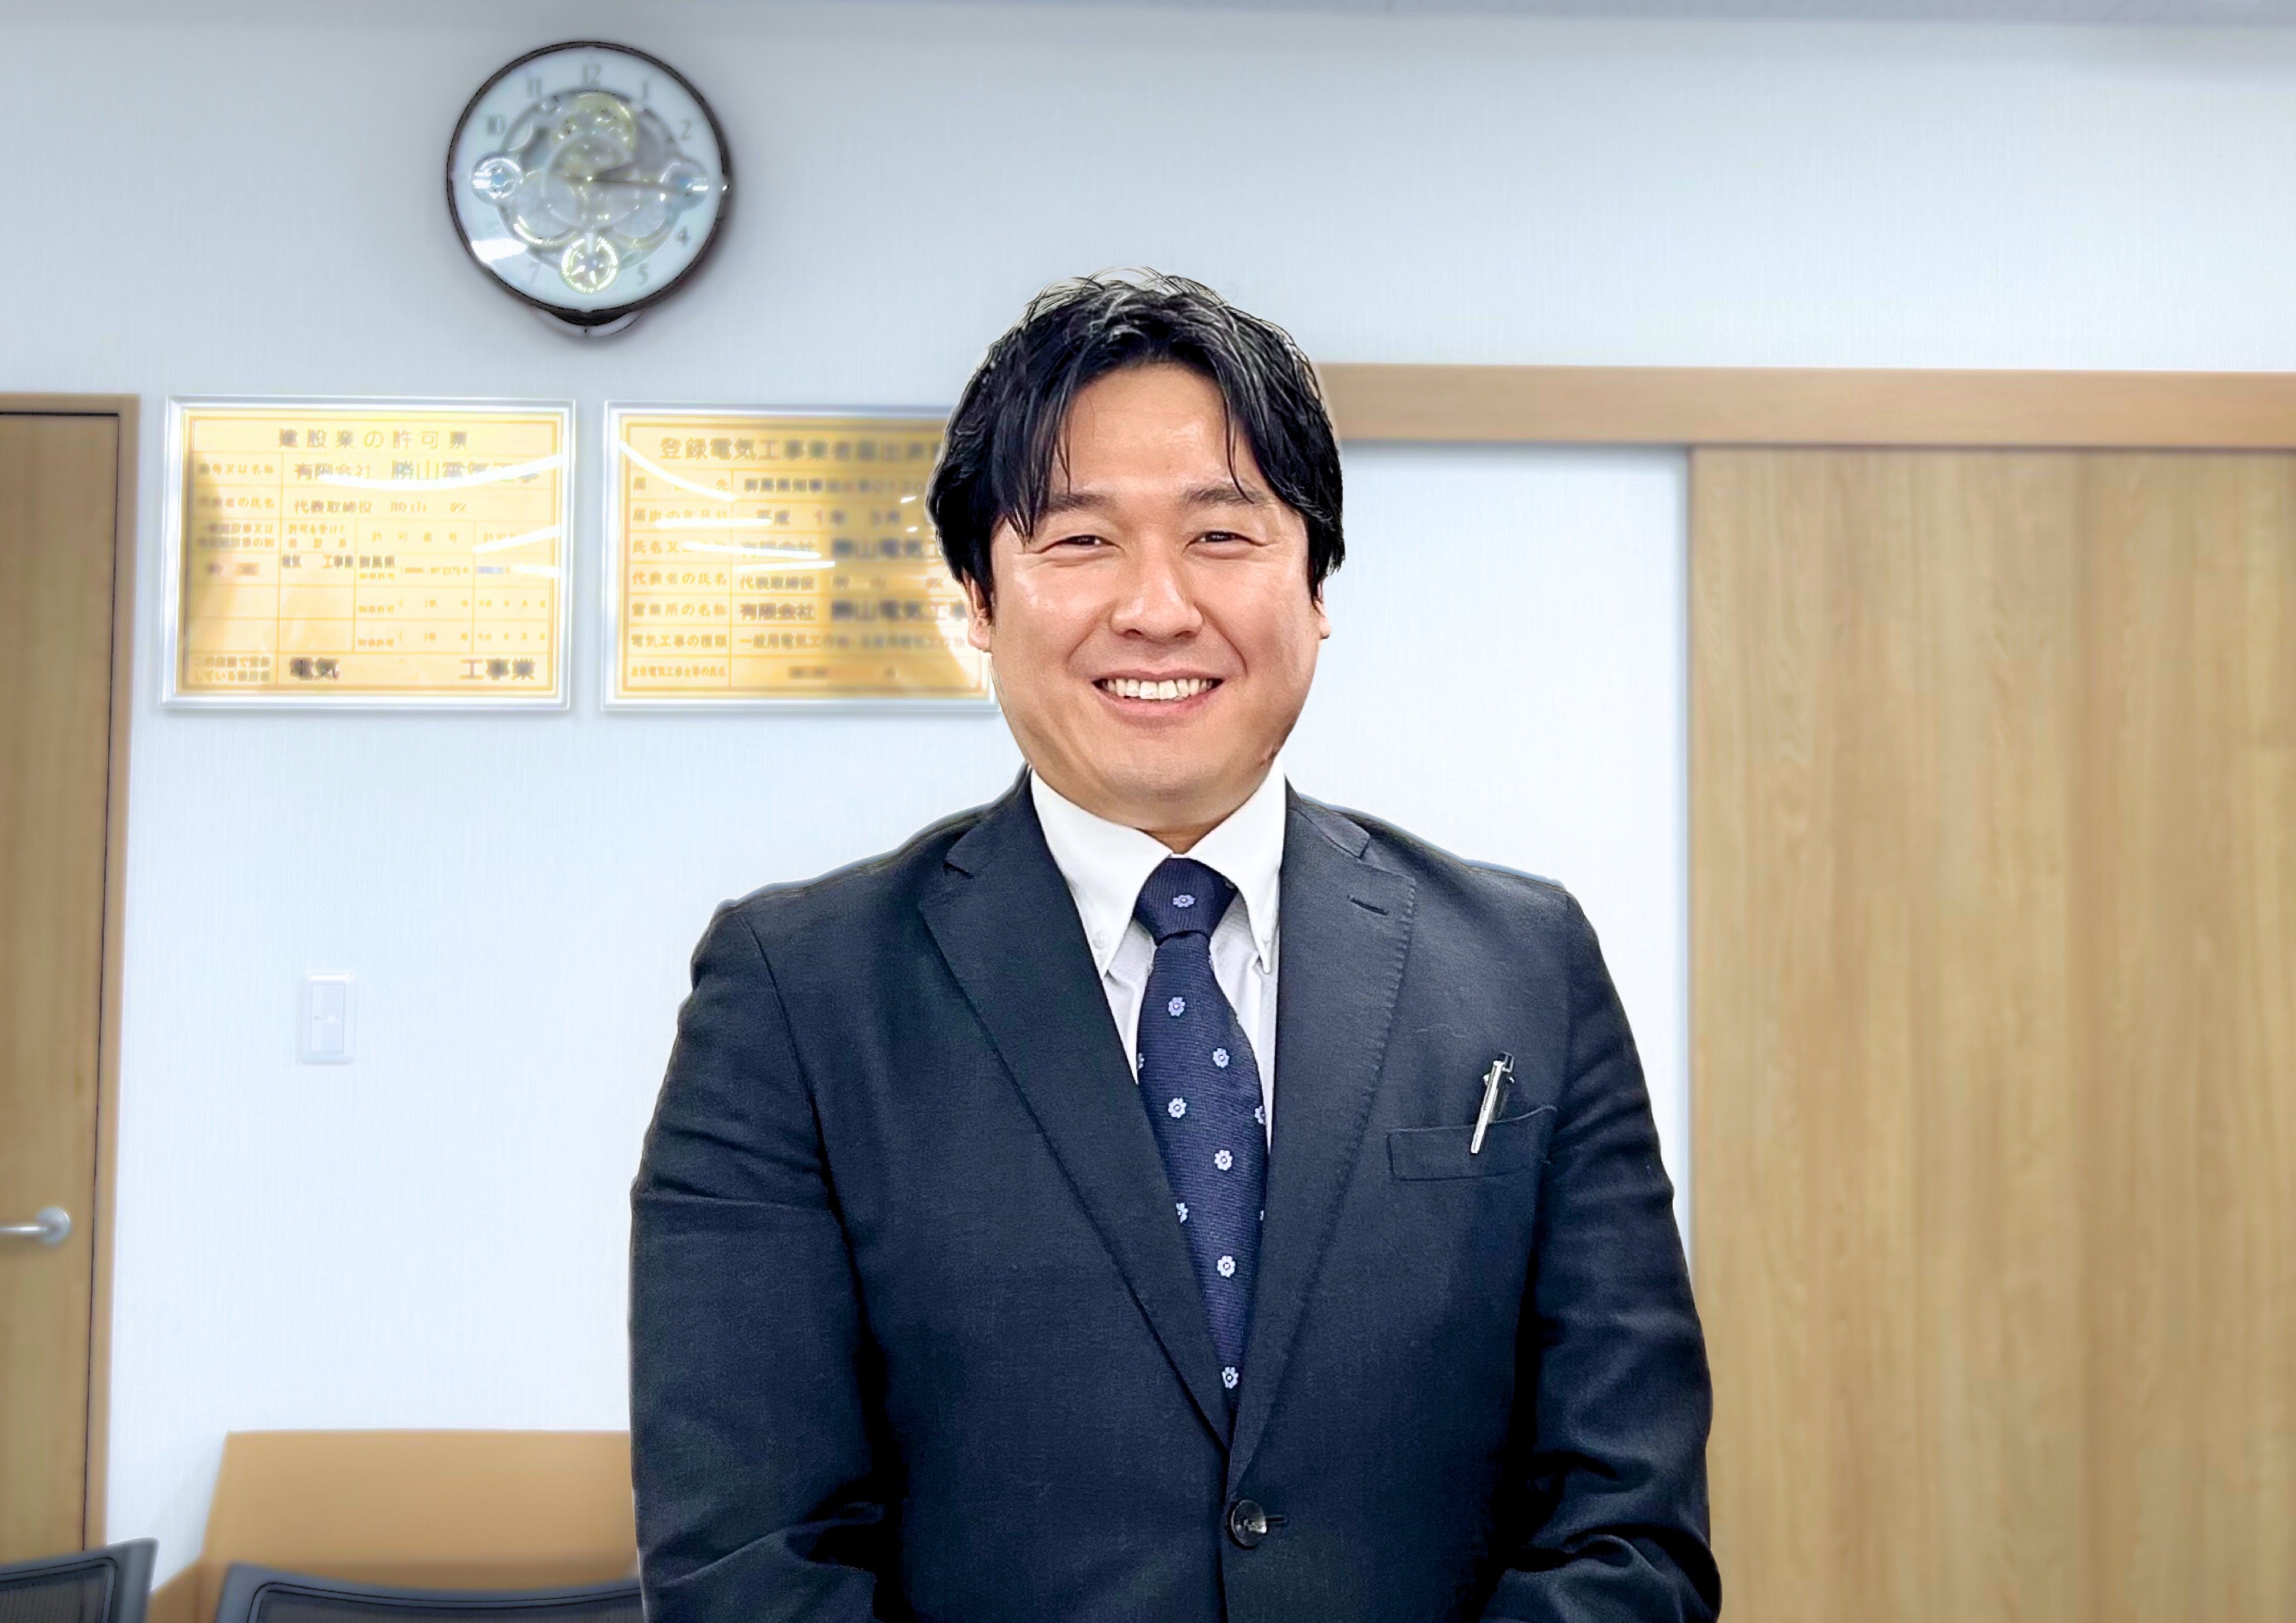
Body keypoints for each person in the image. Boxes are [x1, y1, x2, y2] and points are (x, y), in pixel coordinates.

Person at [629, 273, 1718, 1622]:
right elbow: (747, 1562)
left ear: (1316, 585)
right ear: (979, 599)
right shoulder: (797, 994)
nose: (1156, 606)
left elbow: (1630, 1527)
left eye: (1222, 534)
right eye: (1081, 540)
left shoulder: (1523, 965)